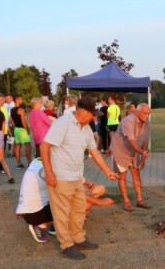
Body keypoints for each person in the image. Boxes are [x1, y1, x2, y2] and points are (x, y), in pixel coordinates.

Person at [41, 96, 118, 260]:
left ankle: (78, 238)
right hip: (60, 177)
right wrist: (49, 173)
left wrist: (108, 171)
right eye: (92, 114)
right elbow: (44, 146)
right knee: (61, 213)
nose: (94, 117)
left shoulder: (87, 128)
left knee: (79, 209)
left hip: (77, 177)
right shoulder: (63, 123)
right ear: (83, 111)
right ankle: (66, 245)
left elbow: (95, 152)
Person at [110, 103, 151, 211]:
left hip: (135, 150)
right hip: (121, 149)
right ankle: (126, 201)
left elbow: (145, 141)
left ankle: (139, 199)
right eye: (145, 113)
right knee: (122, 175)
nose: (147, 116)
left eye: (148, 113)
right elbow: (131, 140)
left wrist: (143, 158)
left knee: (136, 172)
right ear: (137, 112)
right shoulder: (128, 121)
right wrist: (141, 152)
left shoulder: (147, 123)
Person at [16, 158, 55, 243]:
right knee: (74, 205)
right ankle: (41, 225)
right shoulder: (52, 166)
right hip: (35, 214)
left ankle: (53, 225)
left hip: (26, 210)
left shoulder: (37, 161)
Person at [11, 95, 32, 169]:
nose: (22, 101)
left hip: (16, 129)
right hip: (22, 129)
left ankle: (18, 163)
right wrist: (27, 129)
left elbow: (12, 121)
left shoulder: (12, 109)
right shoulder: (21, 110)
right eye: (21, 99)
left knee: (18, 146)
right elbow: (23, 121)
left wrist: (15, 129)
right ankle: (30, 163)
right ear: (17, 100)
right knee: (28, 146)